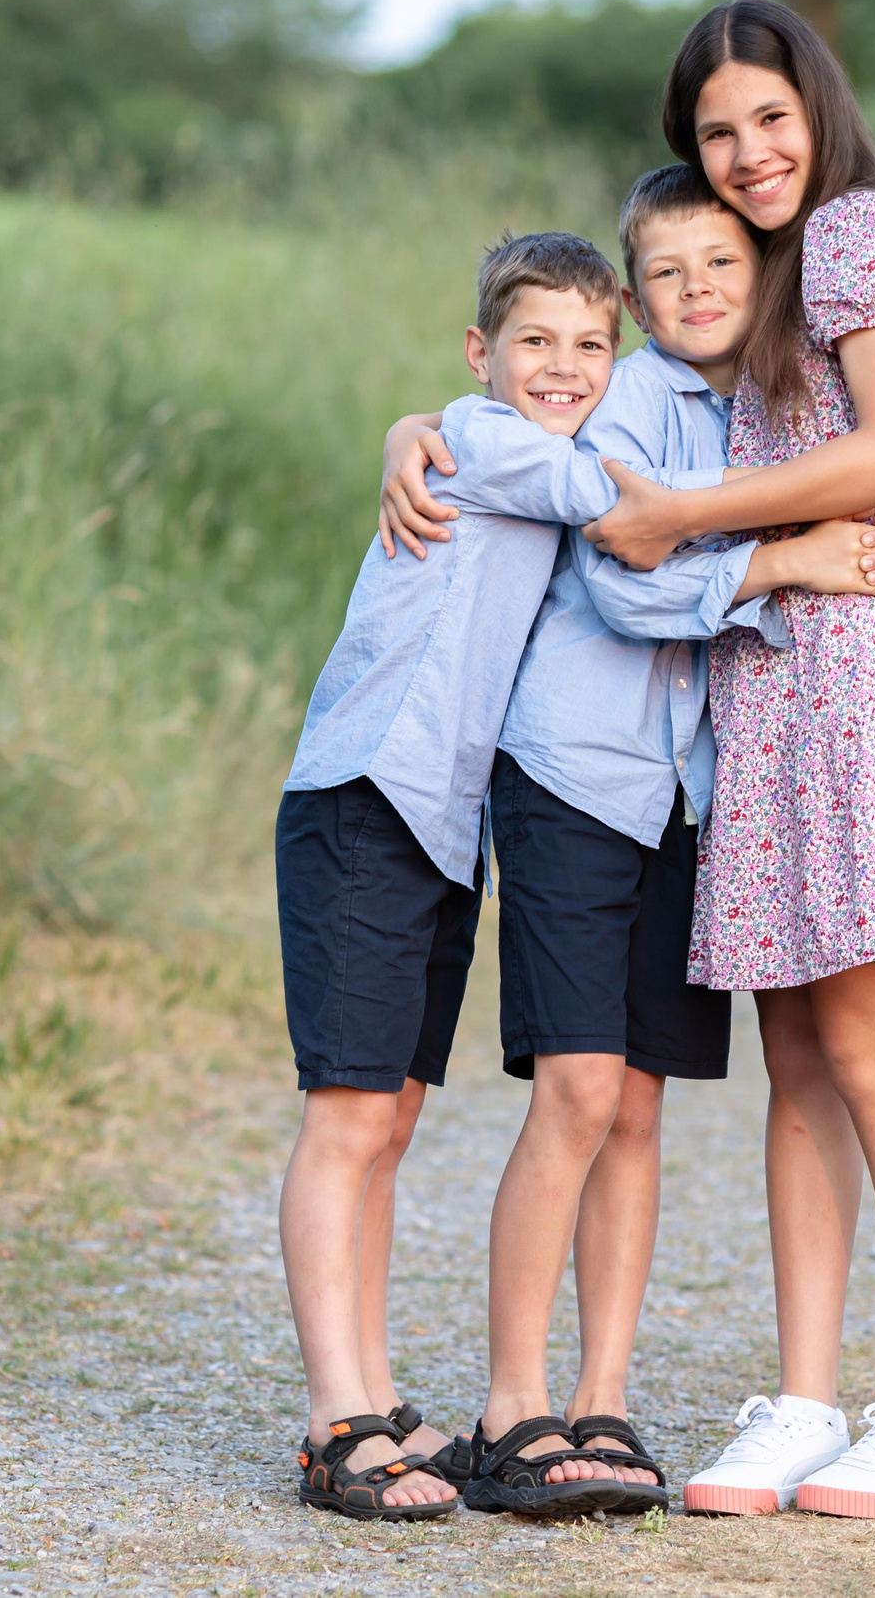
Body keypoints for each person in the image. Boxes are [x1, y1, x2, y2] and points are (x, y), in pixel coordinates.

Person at [374, 165, 875, 1517]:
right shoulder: (637, 396)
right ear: (638, 295)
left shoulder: (770, 406)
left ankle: (602, 1401)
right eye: (667, 274)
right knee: (581, 1094)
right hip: (577, 781)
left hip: (689, 804)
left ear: (768, 279)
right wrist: (783, 565)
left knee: (636, 1107)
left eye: (724, 267)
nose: (697, 292)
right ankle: (513, 1399)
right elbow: (618, 573)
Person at [582, 0, 875, 1521]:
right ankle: (800, 1403)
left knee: (867, 1053)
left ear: (819, 111)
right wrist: (417, 426)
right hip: (774, 697)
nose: (748, 151)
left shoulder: (858, 231)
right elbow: (550, 378)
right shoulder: (746, 286)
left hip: (857, 687)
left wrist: (683, 521)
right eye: (718, 133)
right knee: (796, 1068)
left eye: (768, 119)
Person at [272, 230, 645, 1521]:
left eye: (593, 347)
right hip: (365, 797)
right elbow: (633, 506)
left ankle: (370, 1396)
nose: (564, 366)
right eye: (534, 341)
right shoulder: (489, 445)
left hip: (438, 826)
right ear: (482, 355)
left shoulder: (504, 445)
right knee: (347, 1117)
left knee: (393, 1120)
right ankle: (336, 1425)